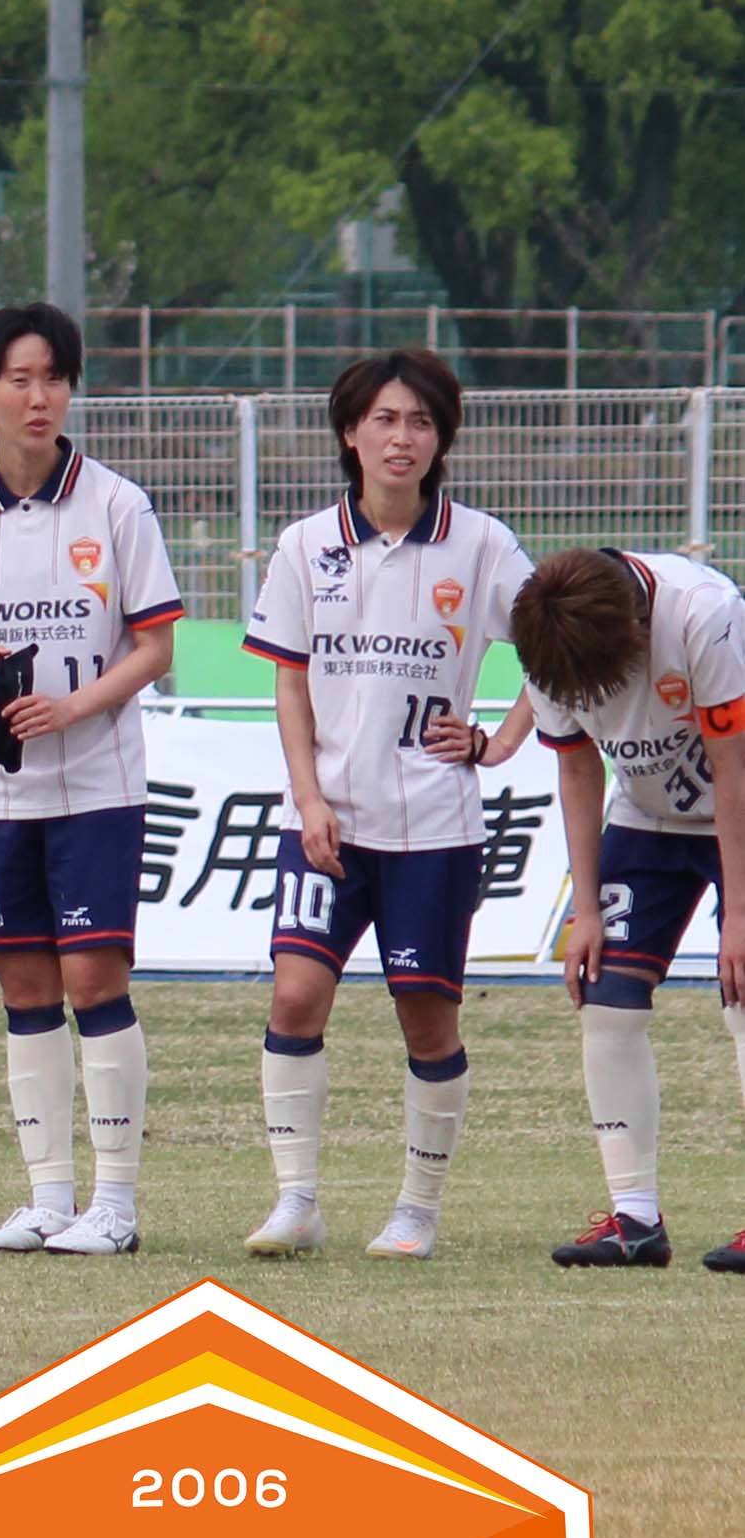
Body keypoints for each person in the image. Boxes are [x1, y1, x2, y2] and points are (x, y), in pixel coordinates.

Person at [0, 303, 184, 1254]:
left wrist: (76, 706)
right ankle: (49, 1197)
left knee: (94, 978)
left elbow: (156, 648)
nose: (39, 396)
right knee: (23, 985)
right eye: (18, 379)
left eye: (53, 378)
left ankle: (116, 1205)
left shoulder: (117, 504)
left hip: (99, 783)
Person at [239, 348, 535, 1258]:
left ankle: (417, 1210)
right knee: (295, 997)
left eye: (421, 422)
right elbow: (290, 683)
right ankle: (296, 1202)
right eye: (385, 420)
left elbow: (556, 650)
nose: (402, 438)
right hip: (326, 824)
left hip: (435, 828)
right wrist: (307, 799)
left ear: (441, 439)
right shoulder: (304, 545)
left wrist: (495, 742)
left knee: (426, 1015)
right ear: (350, 433)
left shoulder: (481, 544)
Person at [507, 545, 745, 1270]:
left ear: (638, 628)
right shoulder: (545, 638)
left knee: (744, 991)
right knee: (605, 998)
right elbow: (578, 768)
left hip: (737, 807)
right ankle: (634, 1220)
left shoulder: (706, 613)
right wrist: (585, 908)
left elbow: (733, 766)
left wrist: (739, 916)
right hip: (645, 819)